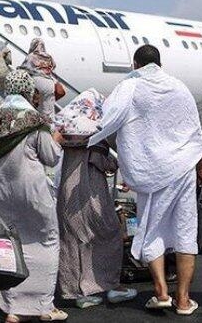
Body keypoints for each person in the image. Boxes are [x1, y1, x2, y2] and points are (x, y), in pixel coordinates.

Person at [89, 45, 202, 316]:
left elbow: (109, 119)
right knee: (185, 232)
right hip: (184, 167)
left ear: (135, 63)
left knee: (151, 227)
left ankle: (162, 293)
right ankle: (185, 300)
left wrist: (87, 135)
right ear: (159, 62)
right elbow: (195, 131)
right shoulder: (180, 87)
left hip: (152, 172)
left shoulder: (130, 86)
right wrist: (201, 167)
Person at [0, 70, 67, 323]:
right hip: (31, 191)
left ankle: (11, 308)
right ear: (28, 90)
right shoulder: (34, 118)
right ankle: (44, 306)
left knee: (5, 243)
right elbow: (50, 156)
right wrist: (56, 139)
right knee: (45, 240)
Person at [54, 89, 137, 308]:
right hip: (92, 191)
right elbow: (106, 162)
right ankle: (108, 285)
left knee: (71, 239)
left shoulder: (68, 133)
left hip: (67, 190)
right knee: (107, 232)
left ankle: (75, 291)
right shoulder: (97, 133)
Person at [20, 38, 63, 120]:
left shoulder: (31, 56)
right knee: (48, 108)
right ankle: (50, 126)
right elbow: (54, 65)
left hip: (37, 82)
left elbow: (23, 69)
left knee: (34, 106)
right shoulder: (48, 56)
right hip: (49, 83)